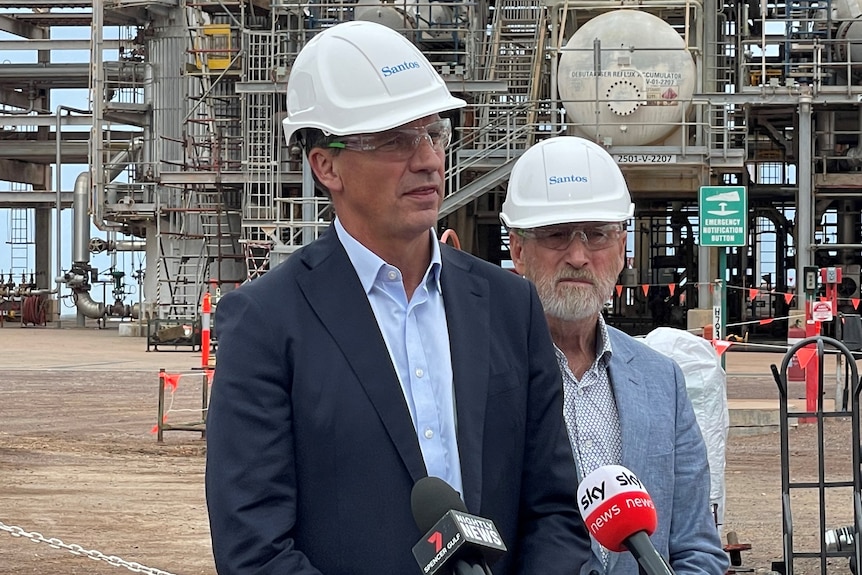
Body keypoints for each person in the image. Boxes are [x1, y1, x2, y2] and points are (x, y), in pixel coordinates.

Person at [205, 22, 592, 575]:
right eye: (394, 140)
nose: (429, 160)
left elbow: (553, 510)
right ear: (326, 165)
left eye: (434, 134)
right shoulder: (267, 323)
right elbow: (254, 548)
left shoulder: (511, 307)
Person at [500, 136, 729, 575]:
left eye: (598, 234)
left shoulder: (663, 382)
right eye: (556, 234)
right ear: (518, 249)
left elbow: (697, 546)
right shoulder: (481, 377)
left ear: (623, 246)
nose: (579, 256)